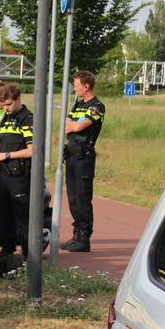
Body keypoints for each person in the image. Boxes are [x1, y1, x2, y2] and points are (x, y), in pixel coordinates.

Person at [60, 71, 105, 253]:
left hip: (83, 157)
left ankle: (84, 238)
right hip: (71, 155)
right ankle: (76, 234)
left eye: (76, 86)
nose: (74, 89)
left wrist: (74, 125)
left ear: (86, 87)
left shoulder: (97, 107)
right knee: (72, 196)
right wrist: (73, 125)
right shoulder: (78, 105)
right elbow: (66, 125)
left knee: (82, 196)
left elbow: (78, 126)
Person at [0, 83, 33, 267]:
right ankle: (7, 251)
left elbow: (32, 150)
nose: (6, 108)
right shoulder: (6, 118)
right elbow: (4, 143)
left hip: (19, 177)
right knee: (4, 216)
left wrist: (6, 155)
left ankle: (29, 254)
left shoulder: (27, 119)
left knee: (22, 217)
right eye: (3, 105)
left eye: (8, 104)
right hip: (3, 174)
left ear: (18, 99)